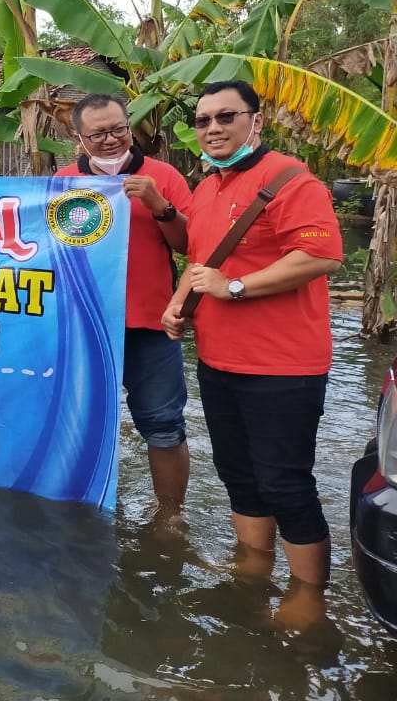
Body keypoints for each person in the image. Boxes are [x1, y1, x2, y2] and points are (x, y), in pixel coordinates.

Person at [163, 80, 341, 598]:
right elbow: (201, 262)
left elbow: (322, 256)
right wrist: (178, 305)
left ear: (254, 121)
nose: (213, 128)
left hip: (284, 366)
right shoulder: (207, 187)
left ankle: (308, 596)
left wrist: (234, 287)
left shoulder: (289, 180)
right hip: (220, 362)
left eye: (226, 116)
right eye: (203, 121)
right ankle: (254, 567)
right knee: (237, 474)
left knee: (285, 482)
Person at [56, 93, 194, 514]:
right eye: (98, 134)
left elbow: (191, 246)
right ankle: (78, 508)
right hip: (83, 327)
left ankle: (170, 516)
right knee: (77, 425)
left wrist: (159, 206)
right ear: (79, 138)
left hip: (150, 326)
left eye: (118, 129)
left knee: (164, 424)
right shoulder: (62, 183)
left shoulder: (163, 177)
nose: (111, 140)